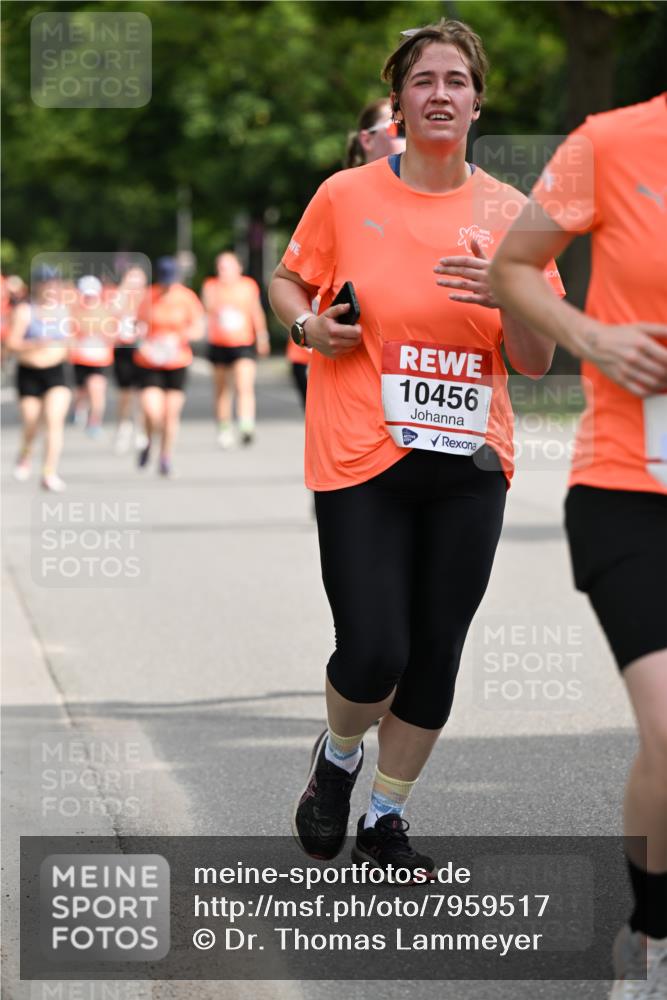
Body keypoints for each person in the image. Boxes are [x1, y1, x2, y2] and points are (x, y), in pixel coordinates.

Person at [269, 20, 564, 876]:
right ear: (397, 102)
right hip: (361, 450)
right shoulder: (345, 195)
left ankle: (386, 819)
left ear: (478, 100)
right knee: (372, 651)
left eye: (457, 80)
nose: (441, 93)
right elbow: (289, 276)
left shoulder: (514, 216)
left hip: (470, 464)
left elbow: (536, 358)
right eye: (424, 80)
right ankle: (336, 757)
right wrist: (305, 324)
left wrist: (506, 295)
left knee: (434, 652)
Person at [489, 94, 667, 999]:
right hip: (631, 489)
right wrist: (591, 336)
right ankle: (652, 931)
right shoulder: (612, 141)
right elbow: (514, 267)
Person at [287, 99, 408, 410]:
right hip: (349, 384)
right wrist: (308, 328)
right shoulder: (338, 196)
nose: (408, 135)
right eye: (398, 128)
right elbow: (288, 281)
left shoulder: (450, 201)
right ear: (366, 138)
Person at [133, 256, 205, 476]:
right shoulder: (148, 296)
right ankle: (148, 442)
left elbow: (198, 329)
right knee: (152, 411)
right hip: (151, 361)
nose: (167, 286)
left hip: (177, 360)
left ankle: (165, 456)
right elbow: (137, 327)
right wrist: (142, 344)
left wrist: (179, 338)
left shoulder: (187, 298)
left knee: (169, 415)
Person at [7, 266, 71, 491]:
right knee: (32, 421)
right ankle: (25, 453)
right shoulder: (25, 311)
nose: (51, 287)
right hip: (29, 372)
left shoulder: (63, 311)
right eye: (47, 283)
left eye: (55, 283)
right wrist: (35, 343)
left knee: (54, 420)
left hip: (56, 372)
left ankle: (49, 472)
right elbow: (11, 344)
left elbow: (70, 341)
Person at [201, 251, 270, 448]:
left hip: (243, 343)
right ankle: (224, 428)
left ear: (238, 268)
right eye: (221, 267)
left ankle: (246, 424)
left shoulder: (248, 286)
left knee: (244, 384)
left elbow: (256, 311)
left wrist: (262, 336)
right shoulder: (211, 286)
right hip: (219, 343)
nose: (224, 271)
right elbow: (207, 310)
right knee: (222, 390)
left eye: (228, 266)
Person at [69, 274, 116, 437]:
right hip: (80, 358)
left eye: (92, 294)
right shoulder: (74, 311)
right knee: (81, 391)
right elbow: (69, 334)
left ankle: (95, 421)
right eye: (86, 294)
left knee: (97, 389)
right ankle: (79, 408)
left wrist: (103, 334)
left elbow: (113, 334)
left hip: (100, 359)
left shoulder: (106, 311)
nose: (89, 298)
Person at [109, 264, 148, 454]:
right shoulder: (120, 297)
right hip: (123, 347)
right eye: (131, 278)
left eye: (137, 278)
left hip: (142, 349)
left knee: (142, 393)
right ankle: (123, 427)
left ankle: (141, 430)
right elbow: (111, 313)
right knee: (125, 393)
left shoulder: (149, 298)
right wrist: (124, 292)